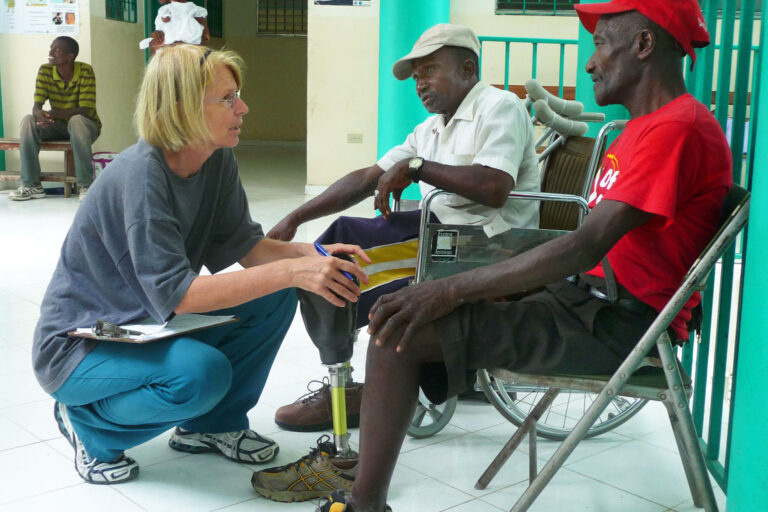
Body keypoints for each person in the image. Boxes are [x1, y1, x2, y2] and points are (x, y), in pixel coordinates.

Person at [315, 0, 734, 510]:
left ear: (644, 45)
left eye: (601, 44)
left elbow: (583, 246)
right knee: (405, 315)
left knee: (396, 330)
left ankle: (365, 504)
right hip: (586, 303)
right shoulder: (648, 128)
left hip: (618, 326)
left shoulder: (676, 128)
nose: (589, 62)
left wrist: (448, 289)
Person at [31, 45, 370, 486]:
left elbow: (248, 248)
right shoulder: (141, 175)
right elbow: (182, 298)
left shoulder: (215, 158)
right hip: (82, 346)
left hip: (146, 325)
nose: (243, 108)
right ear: (182, 107)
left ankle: (213, 426)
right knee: (200, 373)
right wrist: (292, 270)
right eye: (227, 98)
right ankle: (89, 427)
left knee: (277, 293)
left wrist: (317, 256)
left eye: (238, 95)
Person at [267, 22, 539, 433]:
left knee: (338, 259)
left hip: (484, 242)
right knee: (337, 242)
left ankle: (347, 394)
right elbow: (367, 176)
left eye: (429, 71)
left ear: (467, 68)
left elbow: (494, 187)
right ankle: (358, 378)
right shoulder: (431, 127)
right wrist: (296, 217)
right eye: (416, 76)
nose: (420, 83)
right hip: (442, 234)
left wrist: (416, 168)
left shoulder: (499, 106)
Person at [10, 36, 100, 202]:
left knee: (77, 120)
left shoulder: (85, 71)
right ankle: (32, 185)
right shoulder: (45, 70)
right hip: (56, 126)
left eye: (56, 50)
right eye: (51, 48)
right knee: (28, 121)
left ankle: (86, 186)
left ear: (70, 56)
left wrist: (53, 113)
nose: (50, 52)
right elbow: (36, 105)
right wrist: (39, 114)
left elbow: (86, 110)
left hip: (85, 127)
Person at [139, 0, 210, 55]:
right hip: (168, 56)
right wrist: (156, 39)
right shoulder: (164, 11)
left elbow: (205, 37)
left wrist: (182, 44)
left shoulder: (194, 11)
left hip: (189, 56)